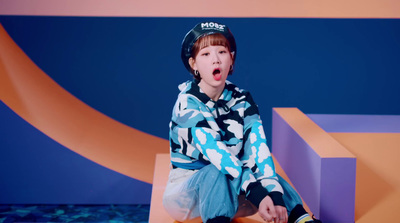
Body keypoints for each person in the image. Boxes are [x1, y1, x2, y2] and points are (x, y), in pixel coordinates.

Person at [162, 21, 321, 223]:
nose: (215, 60)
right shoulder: (187, 102)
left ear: (232, 59)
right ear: (193, 64)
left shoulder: (242, 99)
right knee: (215, 170)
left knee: (264, 175)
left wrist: (274, 194)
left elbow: (259, 151)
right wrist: (256, 192)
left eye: (221, 52)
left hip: (233, 191)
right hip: (186, 198)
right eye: (205, 54)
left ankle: (301, 218)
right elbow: (217, 154)